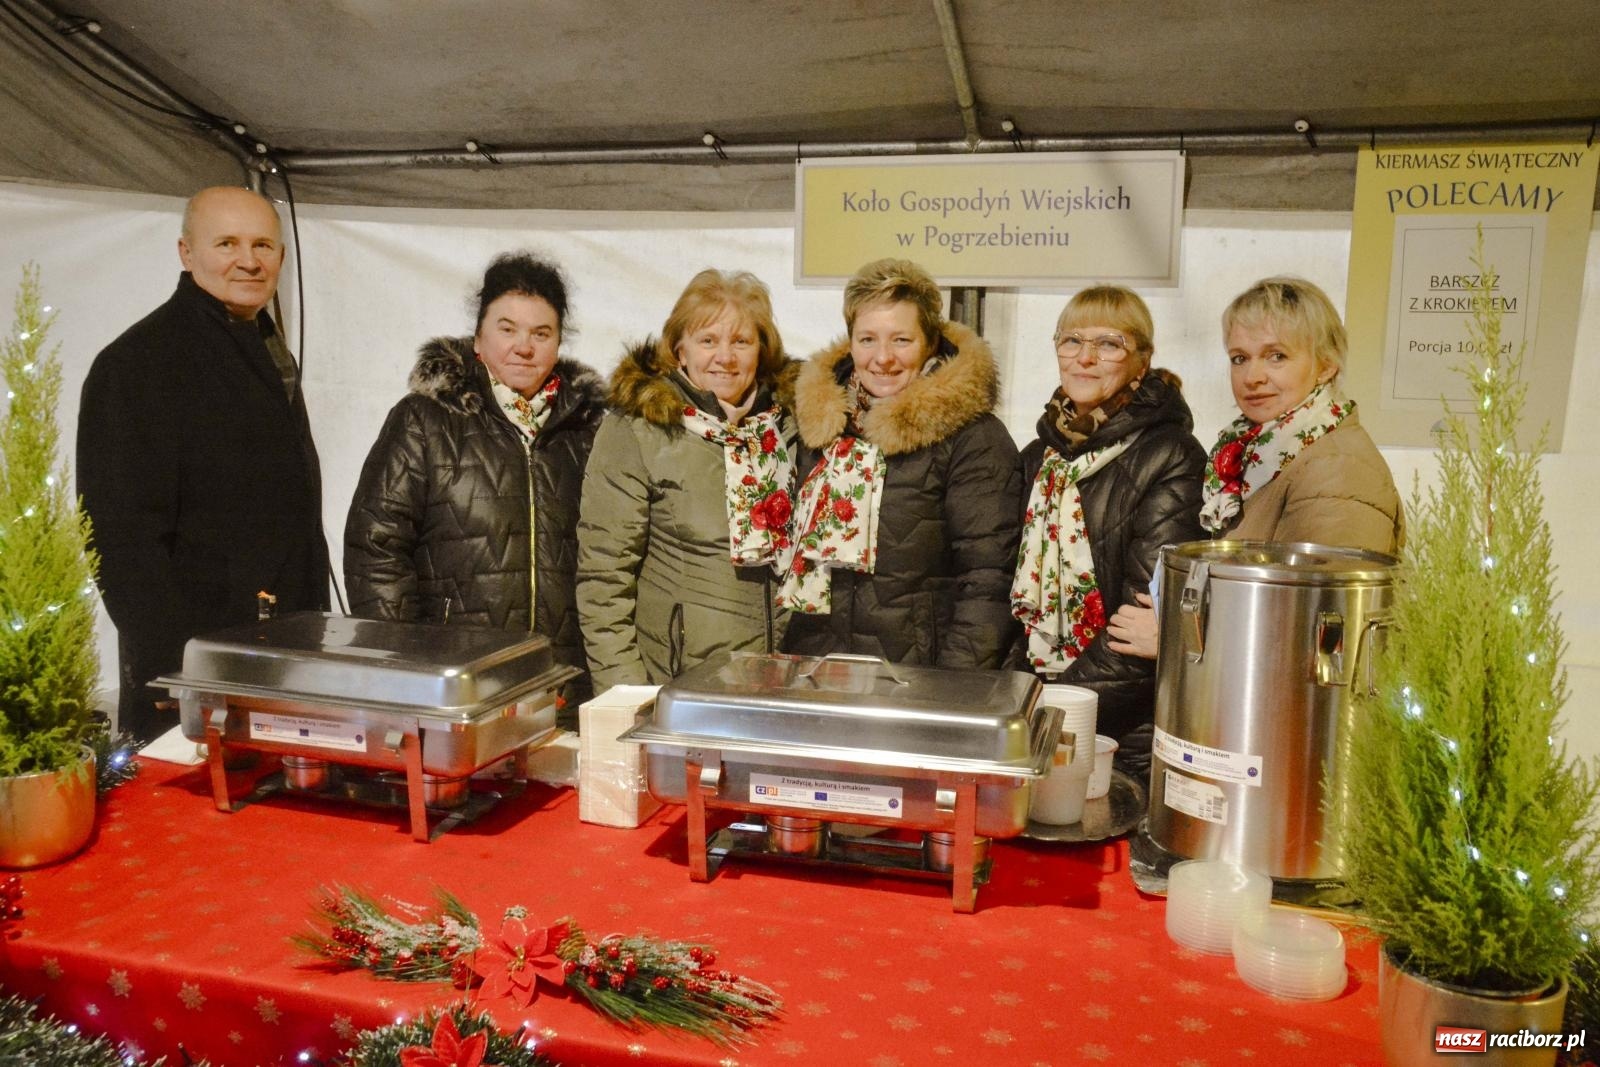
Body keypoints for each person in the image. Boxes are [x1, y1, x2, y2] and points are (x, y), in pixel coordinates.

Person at [77, 186, 329, 744]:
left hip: (281, 662)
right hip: (198, 681)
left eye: (263, 244)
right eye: (227, 243)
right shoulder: (137, 364)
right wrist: (180, 676)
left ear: (282, 258)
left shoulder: (264, 347)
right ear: (186, 253)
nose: (248, 259)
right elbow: (121, 542)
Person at [344, 252, 606, 709]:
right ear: (479, 338)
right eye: (507, 329)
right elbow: (376, 550)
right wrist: (406, 665)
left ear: (558, 343)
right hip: (456, 684)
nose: (523, 347)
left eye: (540, 333)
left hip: (561, 681)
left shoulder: (589, 430)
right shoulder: (425, 420)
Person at [1104, 276, 1403, 662]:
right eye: (1239, 358)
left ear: (1327, 365)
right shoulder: (1257, 454)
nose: (1252, 377)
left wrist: (1180, 637)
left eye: (1276, 356)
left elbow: (1325, 637)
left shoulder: (1338, 467)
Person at [779, 258, 1020, 668]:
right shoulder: (822, 428)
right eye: (867, 339)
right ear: (849, 341)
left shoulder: (972, 438)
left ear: (929, 341)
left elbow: (989, 580)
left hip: (917, 677)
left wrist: (952, 688)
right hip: (821, 670)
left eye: (901, 340)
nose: (883, 358)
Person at [1011, 286, 1206, 773]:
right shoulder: (1040, 457)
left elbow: (1139, 624)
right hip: (1036, 708)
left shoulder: (1172, 455)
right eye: (1071, 341)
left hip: (1123, 735)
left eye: (1109, 344)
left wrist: (1046, 713)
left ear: (1141, 362)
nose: (1086, 358)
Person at [577, 269, 795, 689]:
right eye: (708, 340)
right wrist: (625, 695)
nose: (725, 357)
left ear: (762, 351)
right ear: (680, 351)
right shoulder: (639, 429)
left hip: (778, 683)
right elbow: (604, 578)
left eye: (741, 341)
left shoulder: (788, 428)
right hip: (678, 686)